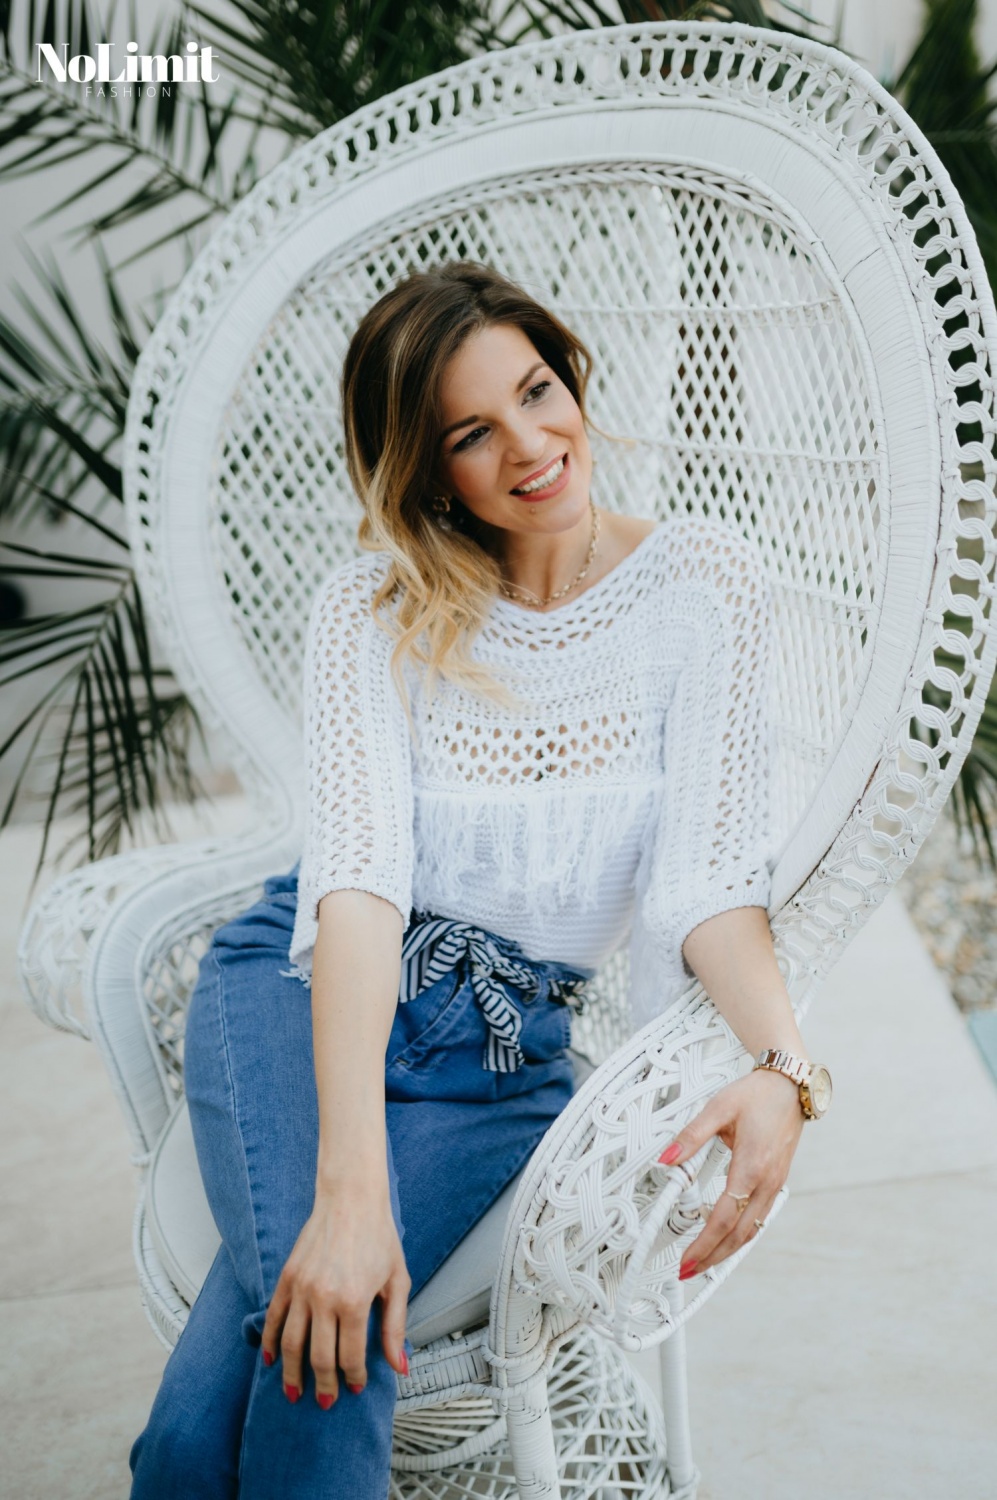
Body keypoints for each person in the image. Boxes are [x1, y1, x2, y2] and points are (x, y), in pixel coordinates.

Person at [129, 259, 822, 1499]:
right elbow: (357, 891)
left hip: (497, 1057)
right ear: (425, 469)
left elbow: (706, 887)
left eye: (537, 391)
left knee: (236, 1413)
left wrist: (783, 1064)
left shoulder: (702, 585)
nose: (531, 445)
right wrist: (350, 1194)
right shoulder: (373, 607)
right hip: (298, 990)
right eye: (471, 433)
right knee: (320, 1331)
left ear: (571, 377)